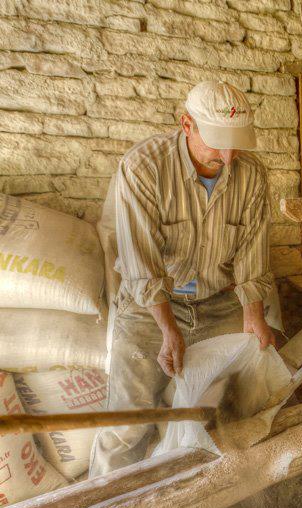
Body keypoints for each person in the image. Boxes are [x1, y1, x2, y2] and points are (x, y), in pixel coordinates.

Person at [90, 81, 276, 476]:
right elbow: (141, 264)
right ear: (186, 124)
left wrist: (254, 315)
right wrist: (167, 328)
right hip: (151, 305)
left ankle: (222, 489)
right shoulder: (144, 167)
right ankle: (104, 503)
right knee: (128, 423)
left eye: (236, 144)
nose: (228, 157)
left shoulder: (252, 175)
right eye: (218, 143)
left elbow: (252, 253)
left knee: (237, 408)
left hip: (217, 300)